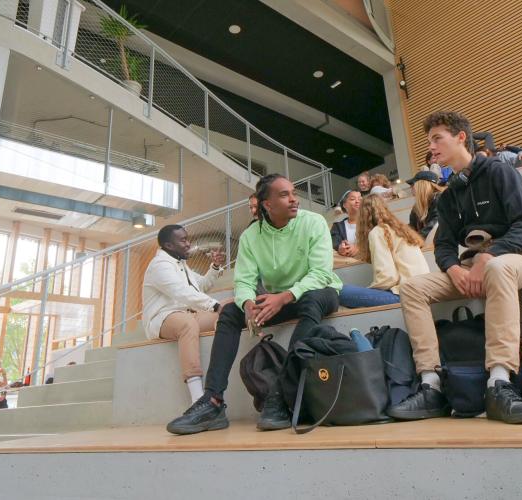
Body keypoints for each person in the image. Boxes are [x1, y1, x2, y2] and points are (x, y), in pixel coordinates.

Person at [389, 111, 522, 425]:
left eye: (437, 138)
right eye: (429, 141)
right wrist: (454, 270)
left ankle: (499, 383)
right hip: (471, 266)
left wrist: (490, 256)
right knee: (411, 287)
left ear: (462, 137)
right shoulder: (447, 198)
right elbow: (444, 246)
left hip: (515, 257)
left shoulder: (500, 172)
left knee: (498, 269)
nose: (431, 147)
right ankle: (431, 384)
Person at [166, 174, 342, 435]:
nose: (294, 199)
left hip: (318, 291)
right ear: (267, 205)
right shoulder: (251, 236)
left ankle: (282, 394)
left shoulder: (313, 222)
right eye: (284, 195)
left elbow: (321, 274)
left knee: (313, 299)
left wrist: (283, 297)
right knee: (229, 313)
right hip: (277, 298)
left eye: (293, 193)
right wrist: (248, 304)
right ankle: (213, 401)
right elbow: (245, 281)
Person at [142, 224, 226, 405]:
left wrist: (215, 266)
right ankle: (197, 397)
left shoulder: (181, 264)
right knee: (188, 324)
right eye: (183, 240)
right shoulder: (159, 266)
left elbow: (201, 286)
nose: (188, 243)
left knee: (230, 309)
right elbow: (182, 292)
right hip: (163, 318)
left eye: (188, 238)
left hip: (190, 314)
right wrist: (213, 304)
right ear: (169, 246)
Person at [339, 195, 429, 308]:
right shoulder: (399, 229)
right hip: (422, 291)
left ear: (363, 215)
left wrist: (368, 291)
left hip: (404, 295)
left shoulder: (377, 232)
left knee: (340, 291)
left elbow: (388, 277)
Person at [407, 171, 445, 239]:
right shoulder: (416, 207)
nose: (411, 188)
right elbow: (411, 227)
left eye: (413, 184)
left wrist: (415, 240)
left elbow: (435, 225)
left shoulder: (441, 199)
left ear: (422, 185)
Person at [331, 190, 361, 258]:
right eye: (353, 199)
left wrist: (359, 248)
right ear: (344, 205)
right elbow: (334, 241)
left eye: (360, 199)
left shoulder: (371, 223)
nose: (357, 201)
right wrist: (340, 248)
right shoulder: (337, 226)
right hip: (349, 265)